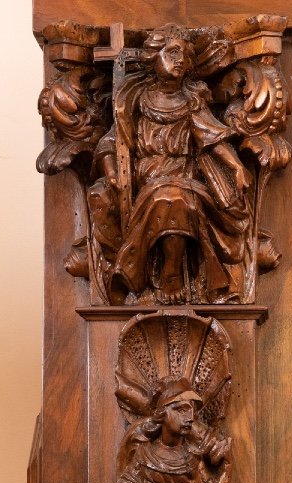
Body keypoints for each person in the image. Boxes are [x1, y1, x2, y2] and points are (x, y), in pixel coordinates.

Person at [89, 25, 252, 303]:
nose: (180, 60)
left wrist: (237, 168)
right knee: (112, 195)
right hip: (144, 179)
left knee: (172, 196)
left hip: (184, 178)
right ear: (154, 56)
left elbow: (213, 139)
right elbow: (111, 142)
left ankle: (164, 272)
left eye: (186, 56)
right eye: (172, 52)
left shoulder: (191, 100)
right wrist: (112, 171)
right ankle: (131, 269)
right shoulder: (135, 98)